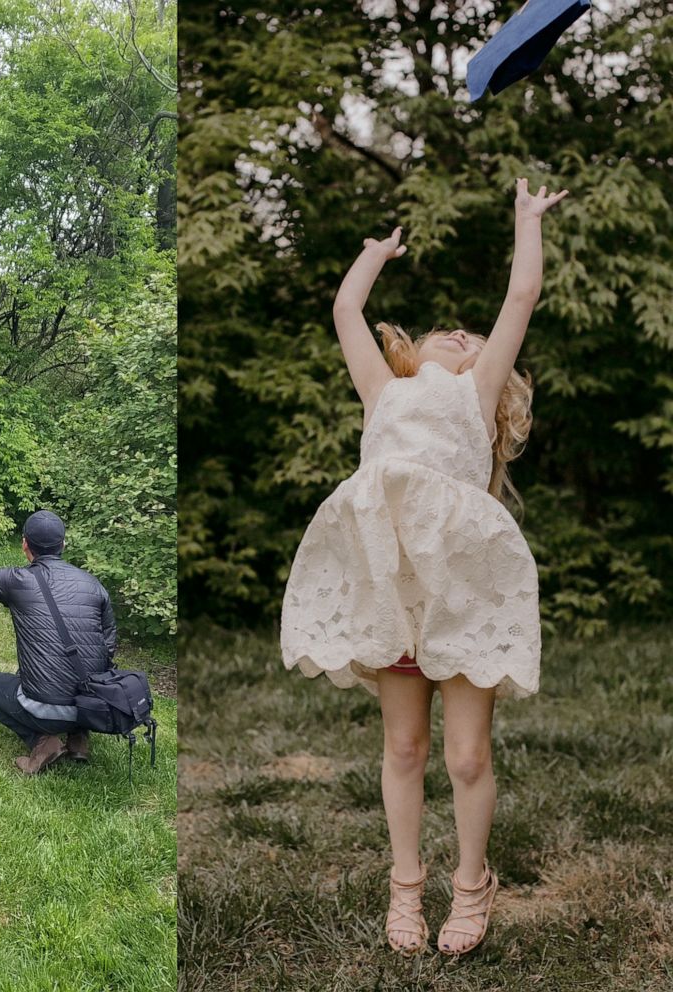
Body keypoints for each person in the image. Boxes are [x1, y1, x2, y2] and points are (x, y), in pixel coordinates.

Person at [280, 179, 568, 956]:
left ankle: (472, 884)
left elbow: (523, 294)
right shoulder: (385, 394)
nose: (461, 335)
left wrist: (526, 220)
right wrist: (372, 257)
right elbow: (346, 314)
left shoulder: (475, 397)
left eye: (472, 339)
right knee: (404, 749)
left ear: (493, 379)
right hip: (391, 586)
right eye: (451, 331)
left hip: (463, 588)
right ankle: (406, 885)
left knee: (466, 753)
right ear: (413, 353)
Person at [0, 502, 116, 775]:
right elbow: (108, 645)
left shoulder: (19, 580)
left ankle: (42, 742)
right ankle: (78, 737)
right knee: (61, 670)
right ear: (63, 544)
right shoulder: (92, 582)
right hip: (93, 705)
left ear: (25, 544)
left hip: (48, 708)